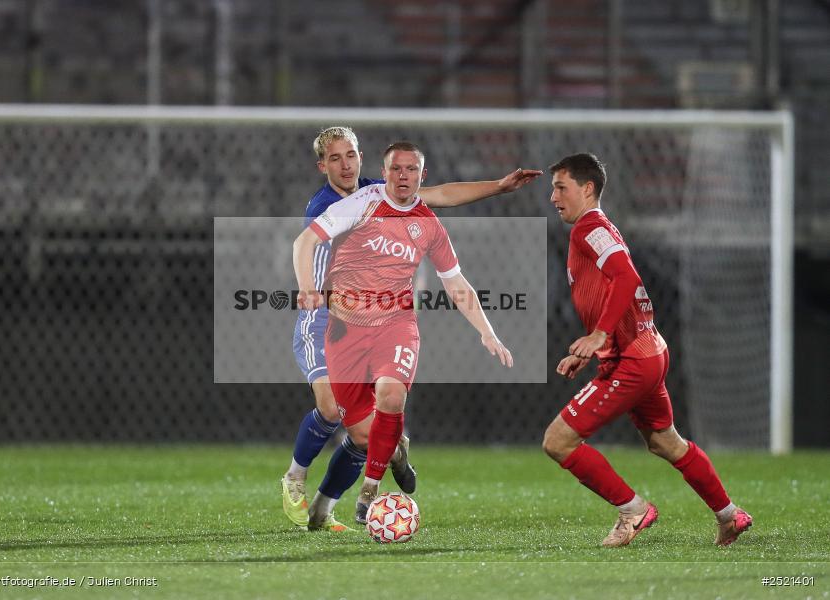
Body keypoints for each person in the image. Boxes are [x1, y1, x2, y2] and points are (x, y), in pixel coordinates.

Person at [283, 126, 539, 531]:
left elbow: (439, 195)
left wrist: (498, 187)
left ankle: (326, 505)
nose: (345, 165)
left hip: (377, 322)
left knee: (366, 434)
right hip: (326, 319)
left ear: (362, 158)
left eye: (350, 156)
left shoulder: (375, 189)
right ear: (322, 166)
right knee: (332, 407)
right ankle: (295, 477)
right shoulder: (329, 204)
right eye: (334, 158)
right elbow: (307, 244)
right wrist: (309, 290)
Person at [541, 152, 752, 547]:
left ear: (587, 189)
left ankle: (633, 510)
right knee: (665, 442)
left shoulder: (588, 228)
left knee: (558, 441)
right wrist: (593, 346)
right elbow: (613, 285)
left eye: (560, 187)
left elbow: (626, 276)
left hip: (632, 359)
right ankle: (730, 515)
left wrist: (599, 335)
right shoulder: (598, 227)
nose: (553, 197)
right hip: (647, 350)